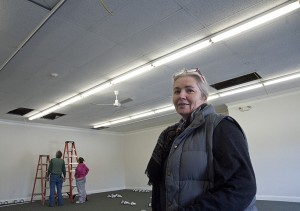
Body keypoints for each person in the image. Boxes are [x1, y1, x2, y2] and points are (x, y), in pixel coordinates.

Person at [145, 68, 257, 211]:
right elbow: (162, 186)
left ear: (204, 96)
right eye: (177, 91)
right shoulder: (170, 135)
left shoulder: (222, 126)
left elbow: (241, 187)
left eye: (189, 90)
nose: (181, 96)